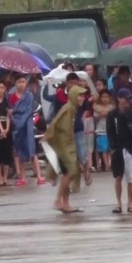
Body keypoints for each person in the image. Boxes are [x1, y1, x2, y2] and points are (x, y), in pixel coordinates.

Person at [44, 85, 87, 213]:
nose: (82, 98)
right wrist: (67, 149)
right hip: (64, 147)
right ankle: (58, 200)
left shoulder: (72, 109)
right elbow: (62, 130)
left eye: (83, 95)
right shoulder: (68, 109)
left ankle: (66, 204)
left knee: (68, 174)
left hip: (66, 146)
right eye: (79, 95)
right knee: (70, 172)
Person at [9, 74, 46, 186]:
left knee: (32, 151)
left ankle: (39, 175)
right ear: (15, 84)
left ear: (26, 84)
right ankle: (22, 177)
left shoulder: (29, 96)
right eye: (19, 82)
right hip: (16, 127)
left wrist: (18, 115)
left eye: (23, 82)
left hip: (27, 125)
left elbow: (28, 110)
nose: (21, 84)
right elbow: (11, 111)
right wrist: (12, 116)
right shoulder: (11, 97)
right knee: (20, 152)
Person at [107, 89, 132, 213]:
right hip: (117, 148)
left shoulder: (130, 113)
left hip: (128, 148)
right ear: (119, 99)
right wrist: (112, 147)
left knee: (130, 177)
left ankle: (130, 203)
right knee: (118, 176)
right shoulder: (112, 114)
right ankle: (118, 202)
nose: (127, 101)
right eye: (125, 99)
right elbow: (110, 131)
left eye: (129, 99)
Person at [93, 90, 114, 172]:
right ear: (100, 98)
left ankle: (112, 164)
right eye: (103, 97)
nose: (105, 99)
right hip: (101, 131)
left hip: (110, 130)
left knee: (111, 148)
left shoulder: (112, 107)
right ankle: (106, 164)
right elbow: (95, 118)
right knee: (103, 149)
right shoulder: (97, 107)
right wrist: (102, 114)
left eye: (107, 97)